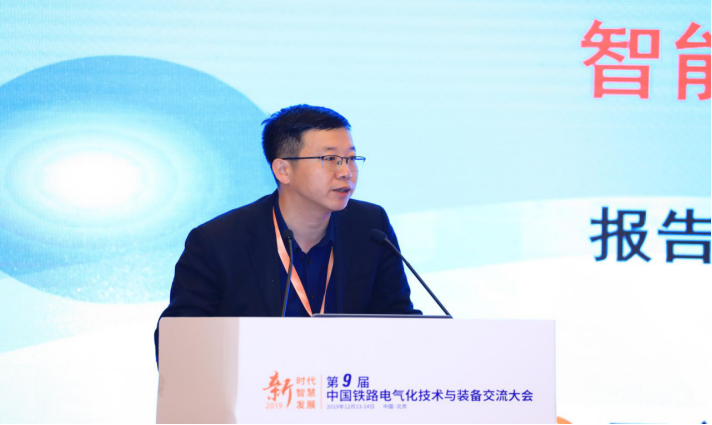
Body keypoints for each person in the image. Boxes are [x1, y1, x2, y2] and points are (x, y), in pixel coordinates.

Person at [154, 104, 420, 360]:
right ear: (283, 170)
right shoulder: (219, 242)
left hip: (344, 384)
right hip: (260, 386)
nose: (346, 172)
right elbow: (179, 341)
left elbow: (397, 319)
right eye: (330, 159)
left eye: (351, 159)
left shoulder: (370, 227)